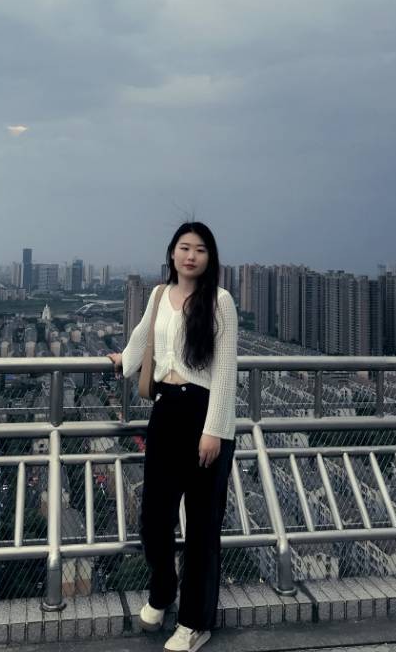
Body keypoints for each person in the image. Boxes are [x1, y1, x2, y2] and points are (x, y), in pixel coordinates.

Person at [108, 221, 238, 652]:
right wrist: (122, 362)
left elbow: (225, 371)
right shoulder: (159, 294)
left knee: (201, 527)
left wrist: (213, 431)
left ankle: (194, 623)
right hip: (165, 412)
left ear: (209, 258)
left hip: (204, 416)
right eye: (184, 247)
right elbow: (142, 337)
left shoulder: (220, 301)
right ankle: (163, 590)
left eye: (200, 249)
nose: (191, 256)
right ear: (172, 253)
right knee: (154, 517)